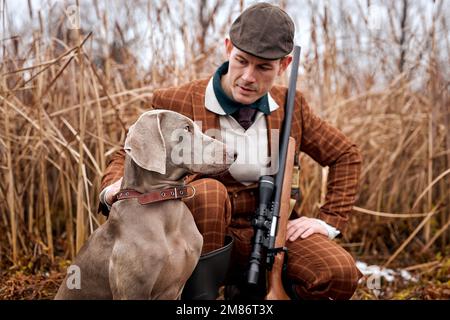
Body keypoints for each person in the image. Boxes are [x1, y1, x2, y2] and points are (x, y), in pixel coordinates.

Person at [98, 2, 363, 300]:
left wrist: (328, 221)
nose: (249, 76)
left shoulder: (292, 105)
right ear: (227, 48)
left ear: (284, 65)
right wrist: (114, 188)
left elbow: (345, 155)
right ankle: (197, 298)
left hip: (271, 232)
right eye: (242, 60)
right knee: (209, 192)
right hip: (200, 230)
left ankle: (260, 292)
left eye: (263, 67)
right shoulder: (178, 101)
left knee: (337, 272)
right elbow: (128, 154)